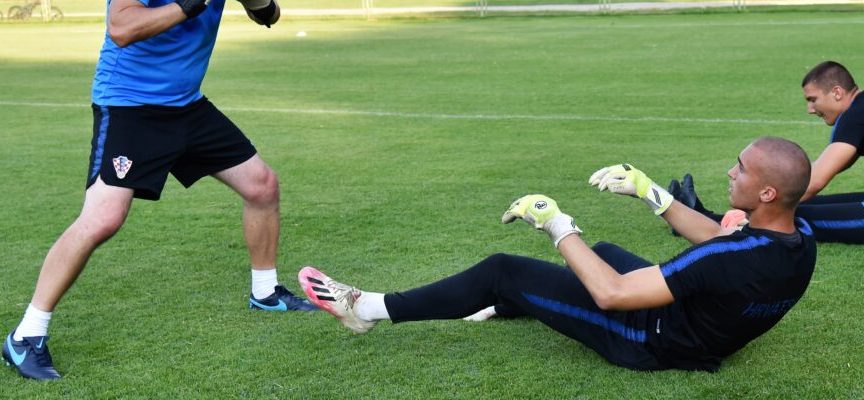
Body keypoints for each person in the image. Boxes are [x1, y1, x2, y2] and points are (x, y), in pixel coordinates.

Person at [2, 0, 315, 382]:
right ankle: (25, 334)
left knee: (262, 185)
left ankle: (266, 293)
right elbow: (120, 27)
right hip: (131, 105)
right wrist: (190, 3)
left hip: (186, 105)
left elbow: (269, 16)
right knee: (102, 219)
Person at [298, 137, 816, 372]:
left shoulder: (727, 259)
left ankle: (365, 309)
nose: (731, 172)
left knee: (504, 270)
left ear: (767, 193)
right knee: (608, 249)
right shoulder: (800, 239)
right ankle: (506, 304)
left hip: (653, 341)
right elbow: (716, 241)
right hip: (703, 326)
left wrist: (556, 224)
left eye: (742, 168)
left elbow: (613, 295)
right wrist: (650, 191)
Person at [672, 61, 864, 243]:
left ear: (837, 92)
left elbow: (815, 181)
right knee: (797, 205)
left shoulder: (854, 116)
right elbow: (815, 176)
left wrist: (758, 209)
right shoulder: (858, 109)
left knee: (786, 217)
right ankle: (700, 217)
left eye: (813, 100)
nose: (810, 109)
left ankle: (703, 222)